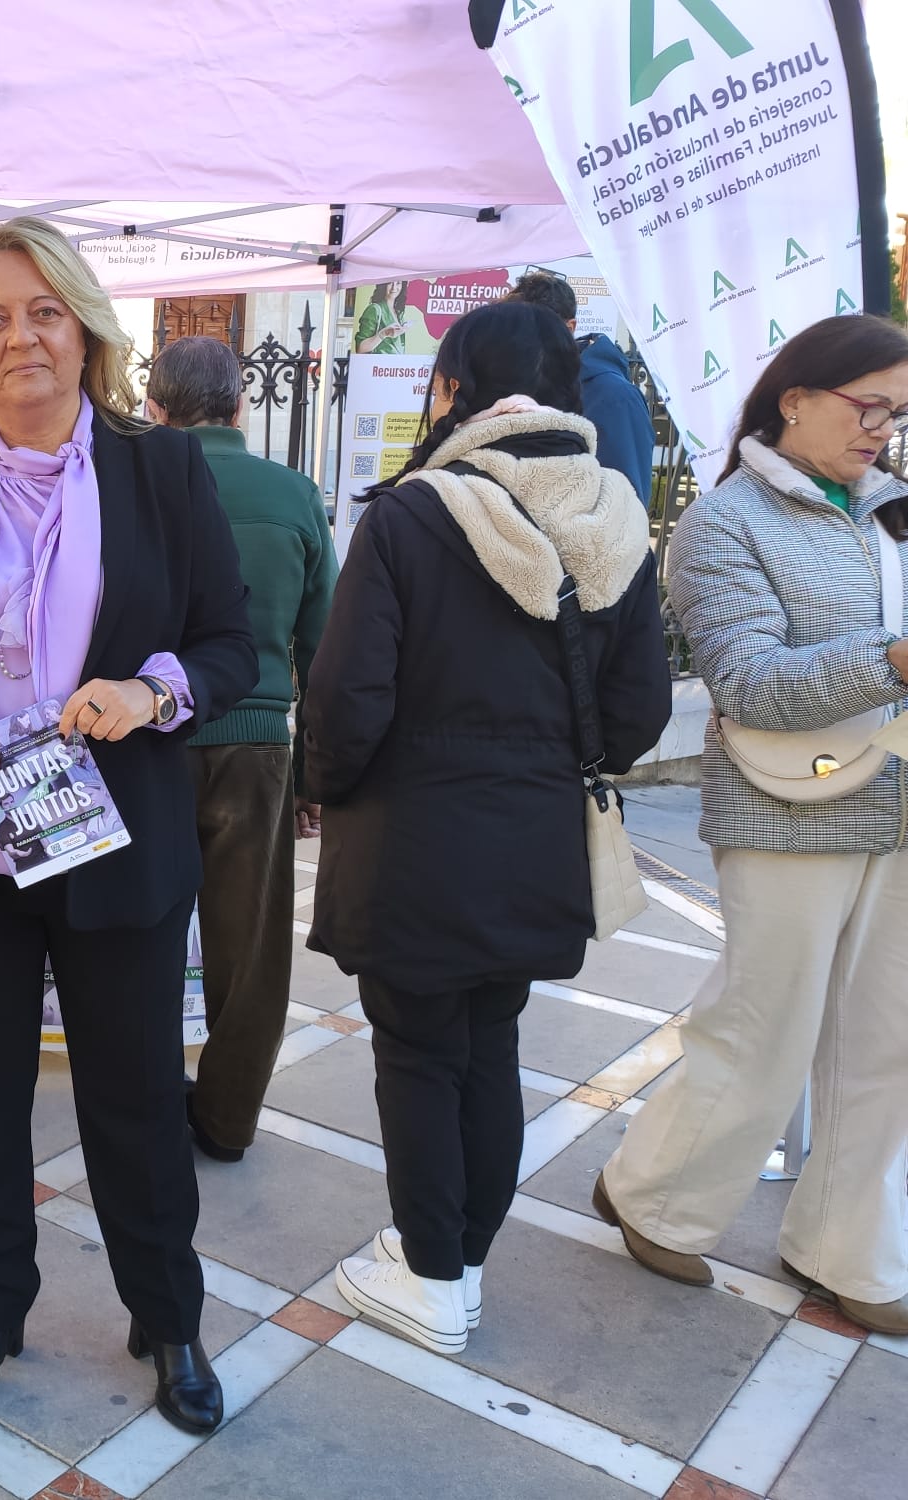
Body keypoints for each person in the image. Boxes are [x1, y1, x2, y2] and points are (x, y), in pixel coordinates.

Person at [0, 218, 257, 1435]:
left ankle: (166, 1315)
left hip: (112, 842)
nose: (19, 336)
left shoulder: (162, 472)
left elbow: (233, 645)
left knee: (132, 1098)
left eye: (41, 311)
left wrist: (148, 691)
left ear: (83, 327)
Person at [304, 300, 671, 1354]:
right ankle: (456, 1263)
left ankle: (425, 1278)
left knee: (416, 1054)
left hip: (413, 840)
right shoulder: (612, 515)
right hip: (535, 836)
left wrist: (327, 787)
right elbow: (638, 711)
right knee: (488, 1047)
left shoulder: (412, 514)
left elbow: (343, 700)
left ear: (454, 388)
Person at [598, 315, 908, 1333]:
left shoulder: (893, 512)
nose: (881, 431)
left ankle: (845, 1246)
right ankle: (653, 1196)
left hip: (898, 808)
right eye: (867, 406)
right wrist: (890, 661)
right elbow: (745, 684)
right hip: (786, 809)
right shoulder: (721, 521)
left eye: (895, 414)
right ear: (794, 398)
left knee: (885, 1044)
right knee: (760, 1029)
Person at [144, 336, 338, 1163]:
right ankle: (225, 1120)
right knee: (250, 952)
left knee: (140, 939)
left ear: (155, 407)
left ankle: (143, 1110)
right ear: (240, 406)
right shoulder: (294, 494)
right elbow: (324, 649)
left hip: (142, 742)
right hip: (258, 748)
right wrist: (313, 776)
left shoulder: (132, 486)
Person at [507, 270, 656, 504]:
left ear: (570, 327)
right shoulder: (522, 386)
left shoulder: (615, 397)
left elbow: (626, 505)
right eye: (515, 331)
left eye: (535, 330)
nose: (523, 342)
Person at [354, 282, 410, 355]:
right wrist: (384, 333)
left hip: (394, 365)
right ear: (383, 285)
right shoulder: (374, 309)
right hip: (377, 364)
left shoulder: (399, 313)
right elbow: (360, 348)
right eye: (390, 283)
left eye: (398, 283)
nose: (394, 287)